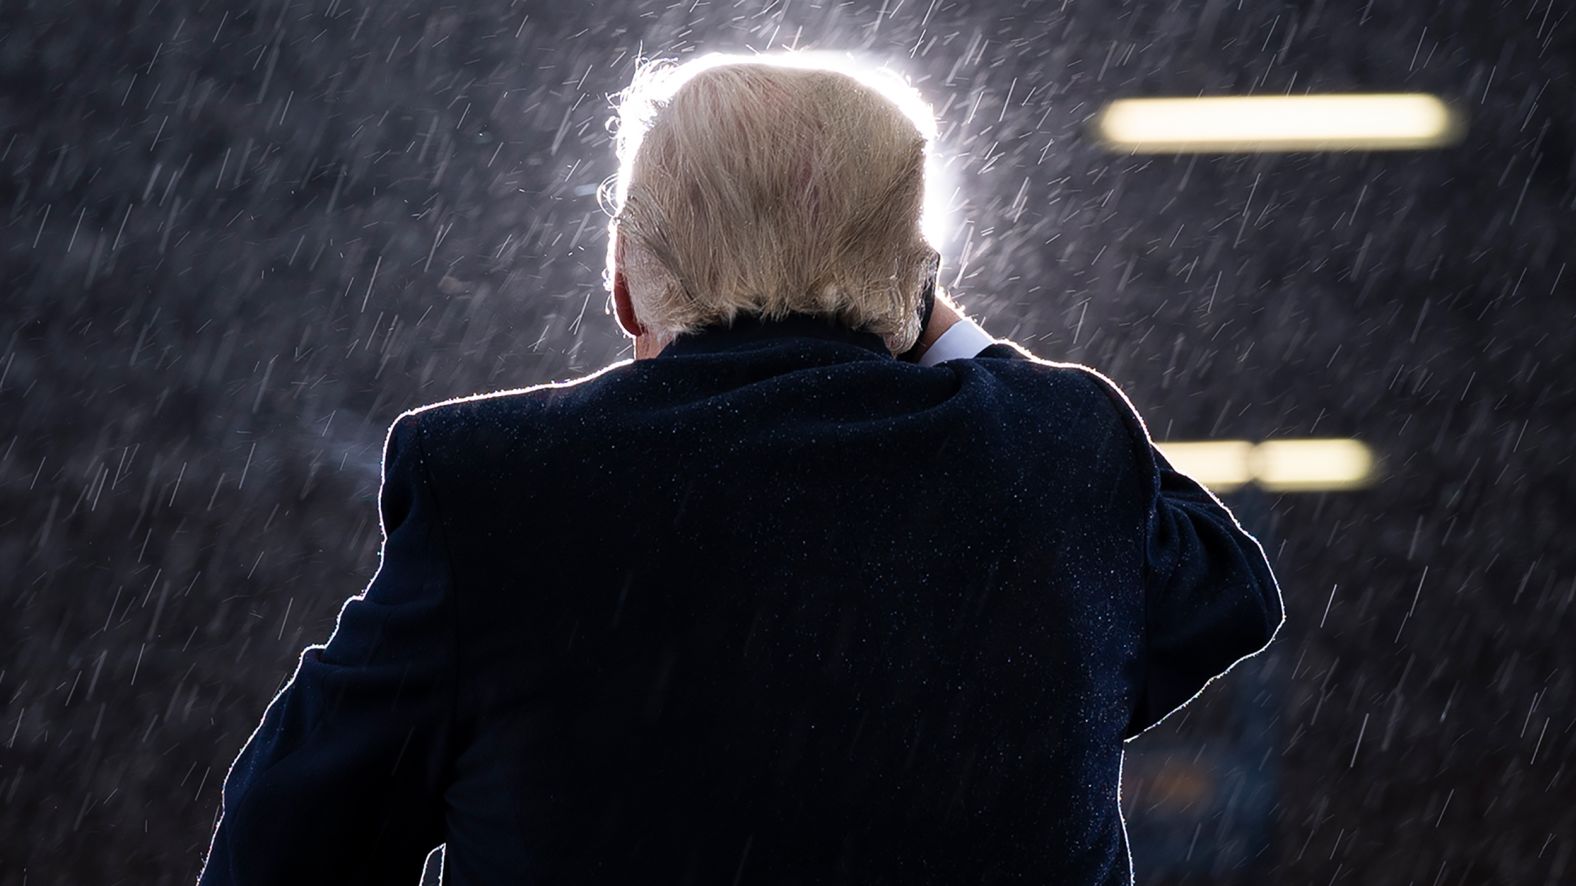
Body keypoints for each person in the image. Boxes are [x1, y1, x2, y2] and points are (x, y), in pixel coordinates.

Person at [196, 53, 1283, 885]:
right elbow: (1222, 593)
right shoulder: (1055, 449)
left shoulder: (502, 489)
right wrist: (934, 319)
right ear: (912, 283)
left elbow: (281, 840)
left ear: (624, 281)